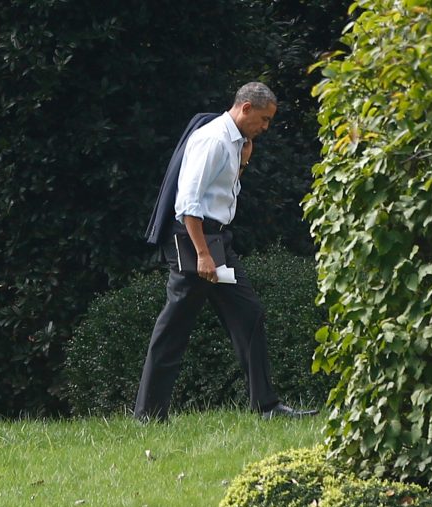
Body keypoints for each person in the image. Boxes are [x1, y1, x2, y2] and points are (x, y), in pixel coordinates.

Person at [135, 82, 318, 421]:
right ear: (245, 108)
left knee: (249, 316)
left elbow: (218, 194)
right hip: (195, 242)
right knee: (173, 329)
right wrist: (203, 254)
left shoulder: (237, 142)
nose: (265, 127)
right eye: (263, 119)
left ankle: (266, 407)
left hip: (218, 242)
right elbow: (187, 204)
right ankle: (148, 415)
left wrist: (244, 163)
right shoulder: (213, 140)